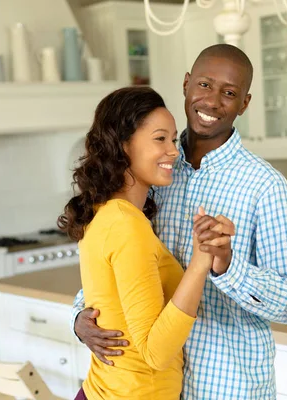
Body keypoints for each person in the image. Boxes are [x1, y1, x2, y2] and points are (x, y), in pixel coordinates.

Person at [72, 44, 287, 399]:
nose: (213, 101)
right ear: (186, 84)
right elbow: (117, 267)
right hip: (156, 386)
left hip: (228, 387)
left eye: (229, 93)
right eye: (204, 84)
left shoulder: (265, 186)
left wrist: (228, 266)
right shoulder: (152, 174)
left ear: (244, 103)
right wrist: (80, 318)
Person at [58, 86, 235, 400]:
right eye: (160, 138)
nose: (173, 150)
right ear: (123, 145)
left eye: (173, 138)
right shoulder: (127, 225)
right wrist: (201, 259)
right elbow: (155, 352)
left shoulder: (106, 214)